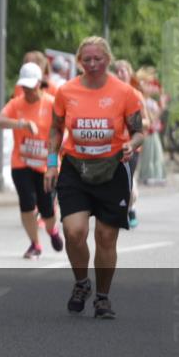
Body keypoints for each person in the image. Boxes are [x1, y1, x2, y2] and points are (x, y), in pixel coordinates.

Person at [44, 36, 144, 320]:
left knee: (105, 236)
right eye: (86, 59)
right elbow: (55, 129)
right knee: (74, 232)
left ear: (108, 60)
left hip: (112, 170)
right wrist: (51, 164)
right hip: (75, 168)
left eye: (97, 59)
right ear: (79, 61)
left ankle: (102, 297)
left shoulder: (124, 93)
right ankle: (81, 283)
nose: (92, 64)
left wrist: (131, 144)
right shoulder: (67, 91)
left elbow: (138, 131)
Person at [2, 62, 64, 259]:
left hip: (46, 165)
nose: (28, 91)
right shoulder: (16, 104)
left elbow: (63, 132)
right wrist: (19, 123)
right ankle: (35, 244)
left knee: (47, 210)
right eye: (24, 87)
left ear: (40, 83)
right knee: (27, 205)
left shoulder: (52, 104)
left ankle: (53, 230)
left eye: (31, 86)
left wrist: (54, 161)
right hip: (21, 163)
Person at [112, 59, 149, 228]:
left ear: (129, 73)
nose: (120, 74)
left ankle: (130, 208)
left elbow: (147, 121)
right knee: (118, 181)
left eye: (123, 71)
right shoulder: (110, 94)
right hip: (113, 145)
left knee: (127, 181)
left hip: (132, 145)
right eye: (117, 71)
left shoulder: (136, 95)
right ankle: (122, 210)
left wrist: (132, 123)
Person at [136, 66, 166, 185]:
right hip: (147, 132)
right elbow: (152, 119)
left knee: (156, 153)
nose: (151, 87)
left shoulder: (150, 101)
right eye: (148, 84)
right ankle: (148, 175)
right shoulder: (143, 101)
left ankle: (155, 175)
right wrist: (161, 109)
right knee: (149, 154)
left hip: (152, 132)